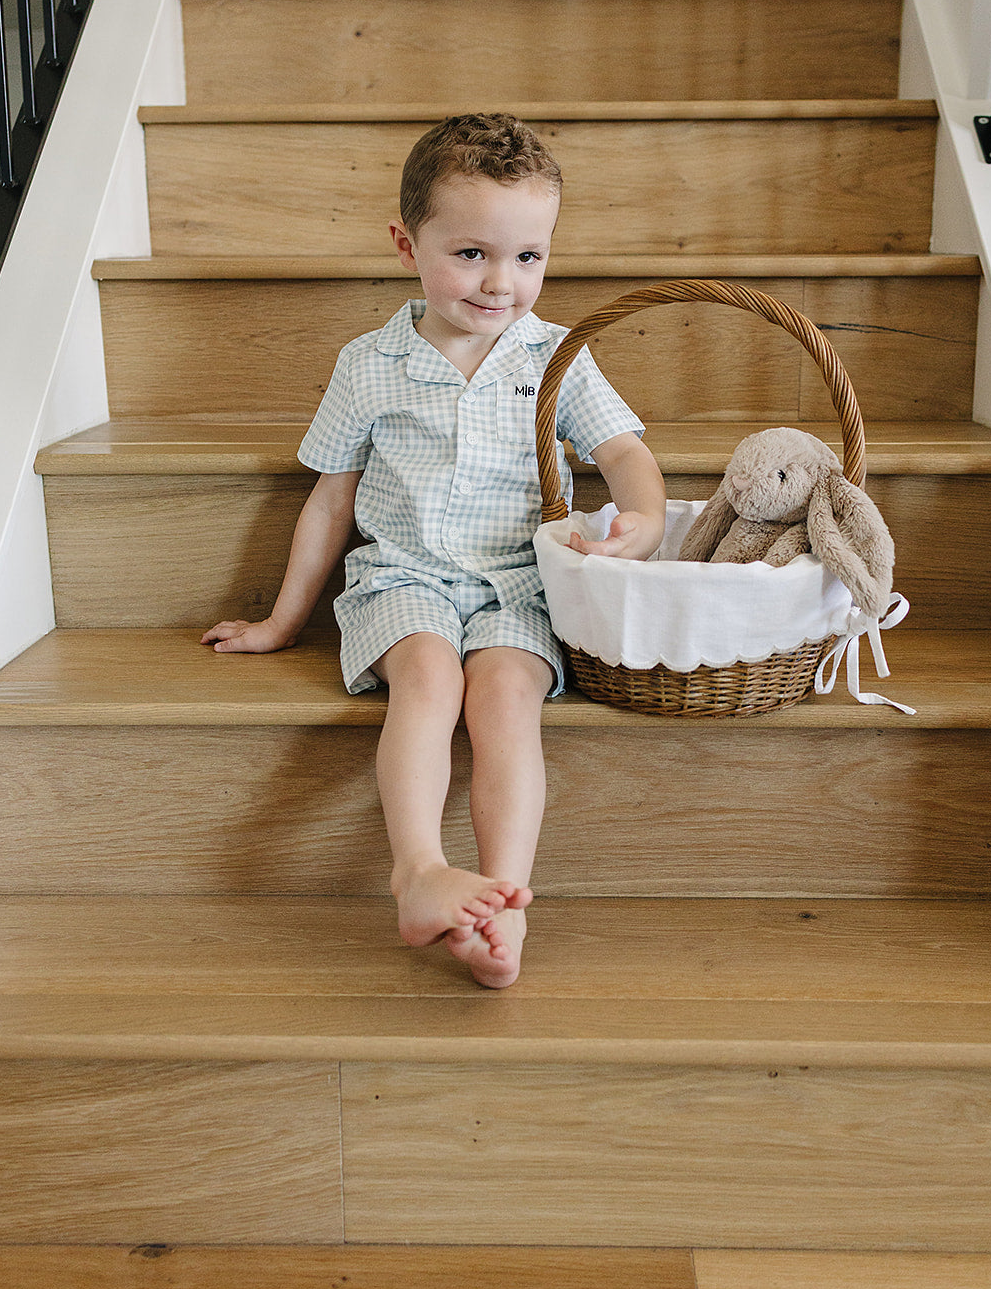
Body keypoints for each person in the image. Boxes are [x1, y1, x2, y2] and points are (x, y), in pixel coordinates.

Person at [203, 113, 666, 988]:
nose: (501, 282)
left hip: (518, 588)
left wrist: (640, 520)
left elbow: (623, 454)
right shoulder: (369, 362)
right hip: (401, 576)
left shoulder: (554, 355)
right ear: (405, 243)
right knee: (427, 675)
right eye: (471, 254)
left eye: (528, 257)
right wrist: (280, 620)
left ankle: (503, 905)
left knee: (502, 697)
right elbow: (331, 497)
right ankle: (416, 869)